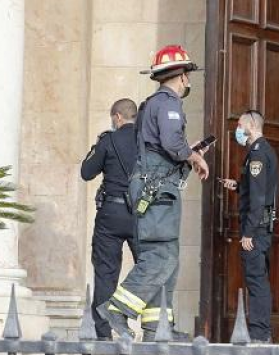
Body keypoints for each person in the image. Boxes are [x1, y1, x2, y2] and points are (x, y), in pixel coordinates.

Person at [97, 44, 210, 341]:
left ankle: (156, 329)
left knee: (163, 258)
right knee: (162, 255)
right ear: (182, 76)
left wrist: (189, 154)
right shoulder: (169, 103)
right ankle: (116, 309)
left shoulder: (151, 104)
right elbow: (172, 144)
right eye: (188, 76)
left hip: (153, 187)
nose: (188, 81)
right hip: (159, 191)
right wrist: (194, 156)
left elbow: (161, 149)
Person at [81, 99, 139, 340]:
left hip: (111, 215)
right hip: (141, 216)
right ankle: (153, 330)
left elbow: (86, 172)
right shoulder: (147, 141)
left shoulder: (108, 140)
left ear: (117, 117)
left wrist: (97, 146)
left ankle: (104, 335)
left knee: (105, 273)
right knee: (149, 268)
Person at [219, 110, 279, 344]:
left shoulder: (257, 154)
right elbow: (255, 188)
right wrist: (237, 185)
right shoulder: (262, 151)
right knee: (258, 280)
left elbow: (258, 198)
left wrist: (248, 233)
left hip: (256, 229)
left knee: (256, 281)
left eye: (240, 125)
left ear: (251, 126)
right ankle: (261, 332)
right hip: (261, 227)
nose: (238, 129)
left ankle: (259, 334)